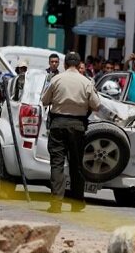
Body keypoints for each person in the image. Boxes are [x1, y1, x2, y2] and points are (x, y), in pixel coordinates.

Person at [41, 52, 101, 213]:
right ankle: (76, 202)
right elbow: (96, 105)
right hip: (77, 126)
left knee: (57, 163)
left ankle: (56, 203)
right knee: (76, 164)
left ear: (65, 65)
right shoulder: (86, 81)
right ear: (79, 63)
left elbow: (45, 100)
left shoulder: (56, 79)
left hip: (58, 124)